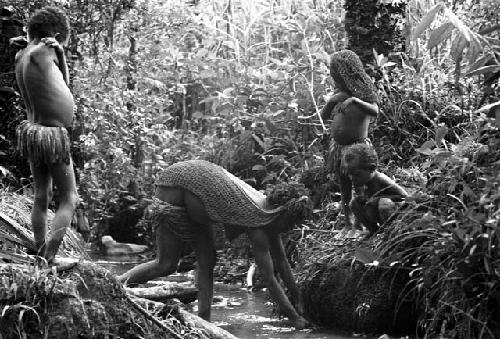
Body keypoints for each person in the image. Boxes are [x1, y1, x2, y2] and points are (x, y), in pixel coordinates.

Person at [118, 159, 310, 329]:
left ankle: (204, 320)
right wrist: (295, 318)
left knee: (208, 259)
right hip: (174, 188)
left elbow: (282, 262)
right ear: (281, 213)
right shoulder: (259, 223)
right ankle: (115, 286)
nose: (290, 228)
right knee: (166, 264)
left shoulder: (267, 216)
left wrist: (299, 299)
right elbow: (268, 278)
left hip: (198, 202)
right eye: (291, 223)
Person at [14, 7, 78, 263]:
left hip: (34, 132)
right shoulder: (46, 50)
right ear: (57, 35)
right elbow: (66, 83)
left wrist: (60, 55)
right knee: (70, 197)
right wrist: (58, 51)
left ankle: (40, 250)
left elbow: (61, 81)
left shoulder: (23, 54)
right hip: (52, 136)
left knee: (42, 195)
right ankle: (50, 256)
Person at [321, 49, 379, 237]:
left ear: (347, 74)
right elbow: (323, 116)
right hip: (339, 149)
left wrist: (354, 100)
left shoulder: (364, 94)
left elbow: (375, 111)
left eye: (337, 77)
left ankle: (362, 224)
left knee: (360, 187)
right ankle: (348, 224)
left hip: (357, 149)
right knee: (344, 188)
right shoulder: (339, 93)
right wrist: (331, 102)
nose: (335, 81)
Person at [342, 143, 408, 235]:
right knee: (353, 203)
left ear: (371, 168)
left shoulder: (381, 179)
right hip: (374, 213)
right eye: (349, 174)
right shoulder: (361, 182)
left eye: (356, 174)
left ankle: (390, 232)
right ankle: (374, 231)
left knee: (384, 203)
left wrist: (378, 199)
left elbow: (404, 196)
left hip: (393, 216)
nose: (352, 178)